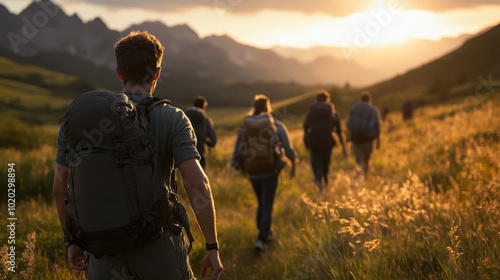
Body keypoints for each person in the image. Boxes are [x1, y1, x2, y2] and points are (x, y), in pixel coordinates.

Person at [52, 31, 223, 279]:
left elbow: (60, 186)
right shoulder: (172, 118)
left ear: (119, 73)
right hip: (158, 247)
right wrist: (212, 246)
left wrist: (72, 240)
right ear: (156, 73)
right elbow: (197, 183)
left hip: (103, 252)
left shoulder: (83, 120)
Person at [230, 95, 296, 253]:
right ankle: (261, 239)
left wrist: (235, 165)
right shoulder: (276, 125)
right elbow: (288, 149)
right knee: (267, 205)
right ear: (268, 108)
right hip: (270, 170)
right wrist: (293, 163)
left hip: (252, 171)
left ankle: (266, 233)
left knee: (262, 202)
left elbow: (238, 149)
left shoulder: (245, 126)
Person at [303, 90, 347, 192]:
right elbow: (340, 131)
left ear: (317, 100)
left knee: (316, 166)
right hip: (328, 143)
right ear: (328, 100)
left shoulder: (311, 112)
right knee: (326, 166)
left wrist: (306, 142)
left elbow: (305, 128)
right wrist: (344, 147)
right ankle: (325, 186)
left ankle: (319, 185)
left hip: (314, 143)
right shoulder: (333, 113)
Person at [347, 91, 381, 179]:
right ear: (370, 100)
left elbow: (349, 124)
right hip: (368, 139)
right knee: (367, 158)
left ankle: (359, 175)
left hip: (356, 139)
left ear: (361, 99)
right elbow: (377, 125)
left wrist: (349, 137)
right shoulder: (373, 110)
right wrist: (378, 140)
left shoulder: (353, 109)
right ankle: (365, 175)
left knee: (359, 159)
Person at [185, 96, 217, 169]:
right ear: (203, 107)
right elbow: (213, 140)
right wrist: (207, 142)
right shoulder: (205, 119)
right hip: (200, 152)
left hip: (184, 154)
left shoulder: (184, 117)